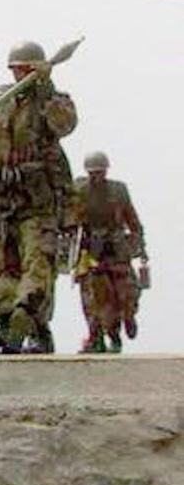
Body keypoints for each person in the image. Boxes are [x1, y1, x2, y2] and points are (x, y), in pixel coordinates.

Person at [0, 41, 76, 354]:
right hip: (0, 202)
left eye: (26, 68)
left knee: (37, 266)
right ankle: (3, 324)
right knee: (1, 269)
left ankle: (24, 324)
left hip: (37, 201)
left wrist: (45, 87)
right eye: (17, 69)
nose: (20, 74)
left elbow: (64, 125)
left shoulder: (49, 100)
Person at [71, 151, 147, 353]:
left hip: (117, 251)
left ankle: (123, 324)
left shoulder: (119, 190)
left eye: (100, 172)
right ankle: (96, 337)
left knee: (125, 293)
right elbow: (68, 219)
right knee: (92, 297)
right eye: (93, 173)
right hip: (90, 253)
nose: (97, 176)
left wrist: (140, 245)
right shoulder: (79, 190)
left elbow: (132, 220)